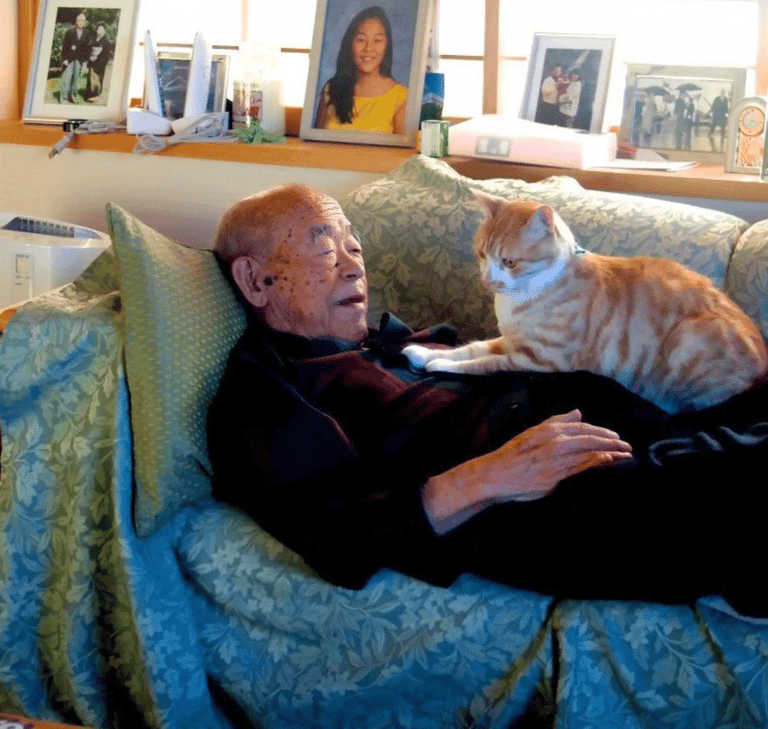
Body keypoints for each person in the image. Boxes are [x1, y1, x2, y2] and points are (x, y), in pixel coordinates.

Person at [207, 184, 768, 613]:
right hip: (548, 491)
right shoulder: (269, 392)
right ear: (256, 281)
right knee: (739, 501)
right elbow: (338, 535)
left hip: (625, 421)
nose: (355, 264)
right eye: (326, 249)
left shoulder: (383, 343)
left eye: (354, 245)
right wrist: (495, 475)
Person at [314, 6, 408, 134]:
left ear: (387, 45)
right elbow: (315, 146)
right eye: (361, 40)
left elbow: (403, 153)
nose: (368, 48)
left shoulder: (401, 97)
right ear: (350, 44)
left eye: (377, 40)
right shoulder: (331, 90)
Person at [59, 12, 92, 103]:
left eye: (83, 21)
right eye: (80, 20)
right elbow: (65, 46)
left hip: (80, 60)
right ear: (76, 21)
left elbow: (87, 48)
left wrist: (85, 61)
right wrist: (64, 59)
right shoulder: (70, 32)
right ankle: (64, 98)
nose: (81, 22)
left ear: (85, 22)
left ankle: (72, 95)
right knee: (67, 78)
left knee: (76, 79)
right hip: (69, 59)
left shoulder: (87, 33)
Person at [85, 23, 114, 100]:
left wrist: (97, 58)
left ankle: (95, 95)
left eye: (101, 30)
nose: (99, 31)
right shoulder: (92, 39)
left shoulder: (106, 42)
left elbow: (106, 54)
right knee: (91, 78)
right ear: (96, 30)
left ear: (104, 31)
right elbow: (88, 49)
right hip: (92, 61)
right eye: (98, 29)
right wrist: (90, 57)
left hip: (100, 62)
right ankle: (89, 95)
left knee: (98, 79)